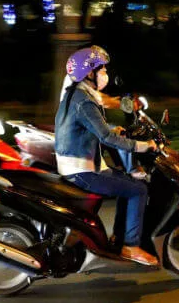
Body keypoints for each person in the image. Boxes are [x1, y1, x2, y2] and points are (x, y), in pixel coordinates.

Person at [54, 46, 159, 266]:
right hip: (83, 170)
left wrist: (114, 131)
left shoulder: (76, 94)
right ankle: (131, 247)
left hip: (79, 165)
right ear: (89, 73)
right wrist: (144, 145)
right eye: (101, 70)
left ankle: (118, 238)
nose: (104, 74)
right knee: (139, 190)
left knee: (128, 183)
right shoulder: (84, 101)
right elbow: (106, 139)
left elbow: (95, 130)